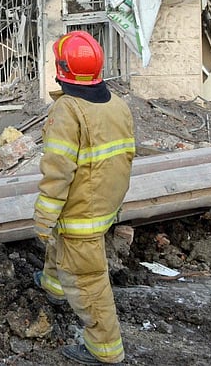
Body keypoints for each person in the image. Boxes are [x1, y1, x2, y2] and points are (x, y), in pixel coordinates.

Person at [32, 30, 135, 365]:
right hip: (103, 203)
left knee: (88, 280)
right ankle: (53, 285)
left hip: (81, 212)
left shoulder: (68, 111)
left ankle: (105, 349)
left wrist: (44, 217)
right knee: (62, 245)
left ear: (62, 68)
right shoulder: (117, 105)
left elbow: (58, 171)